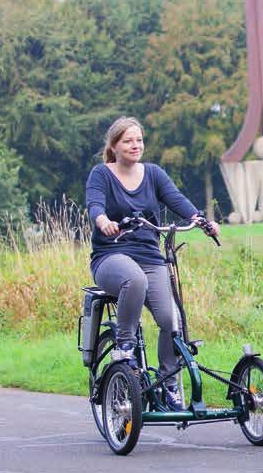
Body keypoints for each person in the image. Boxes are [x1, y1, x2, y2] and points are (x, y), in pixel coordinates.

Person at [85, 116, 219, 412]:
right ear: (114, 146)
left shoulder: (154, 174)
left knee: (171, 320)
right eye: (128, 141)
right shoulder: (101, 174)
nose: (135, 145)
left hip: (149, 256)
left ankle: (169, 383)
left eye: (139, 140)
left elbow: (176, 200)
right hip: (111, 256)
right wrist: (103, 220)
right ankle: (125, 348)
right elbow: (95, 203)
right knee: (135, 280)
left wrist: (202, 221)